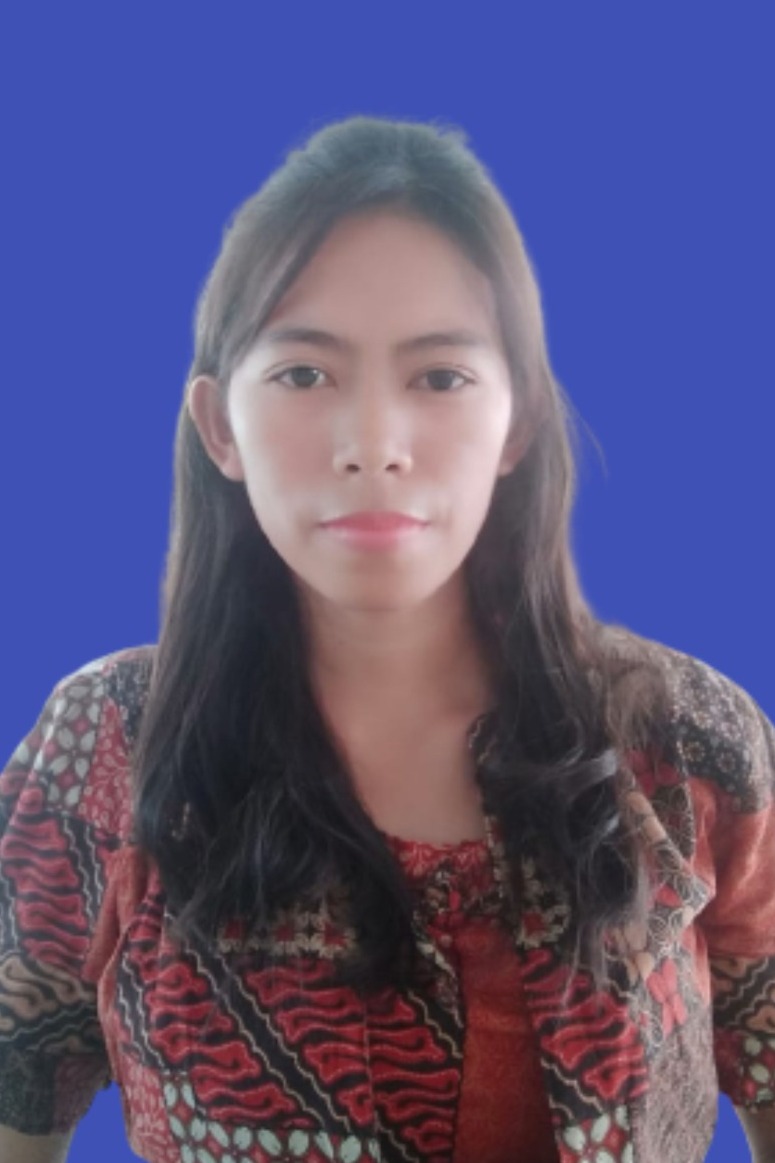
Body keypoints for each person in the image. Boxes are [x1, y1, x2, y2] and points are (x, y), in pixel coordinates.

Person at [0, 115, 773, 1163]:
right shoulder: (105, 746)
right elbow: (19, 1087)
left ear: (517, 421)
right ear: (219, 426)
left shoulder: (687, 738)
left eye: (440, 376)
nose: (372, 444)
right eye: (303, 374)